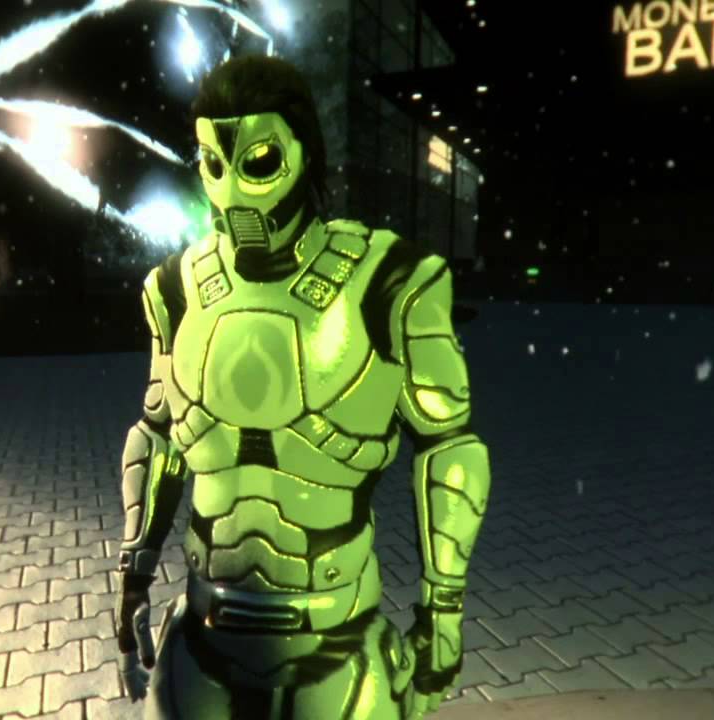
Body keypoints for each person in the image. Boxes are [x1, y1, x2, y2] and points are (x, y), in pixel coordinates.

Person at [114, 56, 491, 719]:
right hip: (201, 631)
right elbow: (160, 437)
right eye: (213, 164)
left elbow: (449, 448)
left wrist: (443, 611)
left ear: (305, 153)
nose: (233, 191)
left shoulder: (390, 281)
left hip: (339, 636)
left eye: (258, 162)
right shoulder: (175, 289)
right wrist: (134, 573)